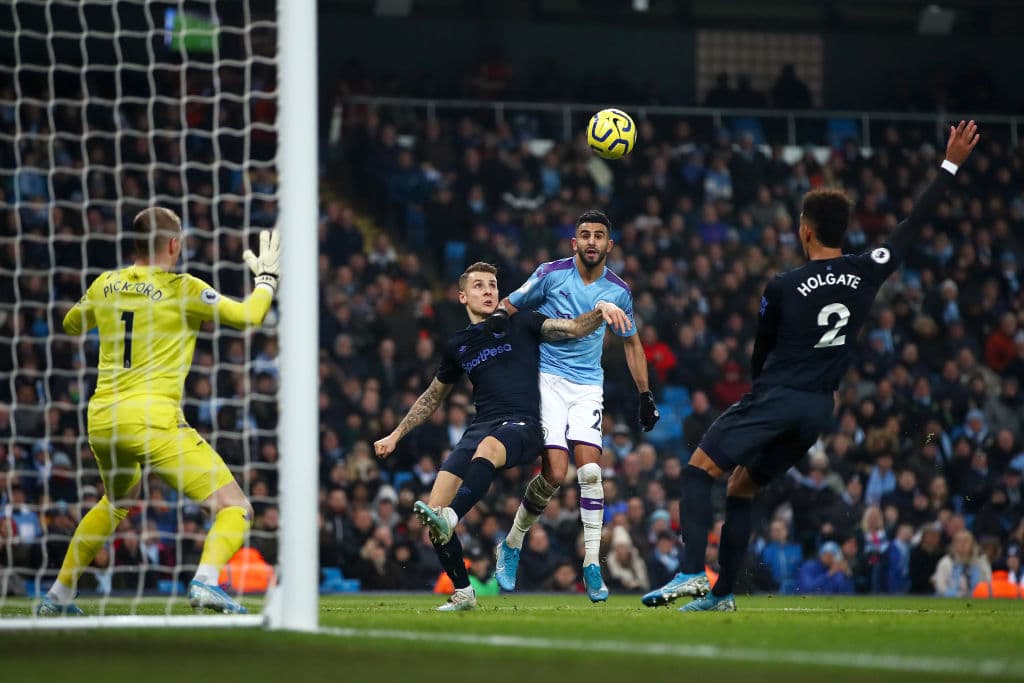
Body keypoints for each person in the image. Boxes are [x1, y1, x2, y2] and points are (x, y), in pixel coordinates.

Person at [642, 120, 980, 612]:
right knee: (740, 487)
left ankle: (693, 572)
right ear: (844, 230)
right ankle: (722, 596)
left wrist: (759, 393)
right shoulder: (868, 268)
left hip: (777, 396)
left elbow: (762, 349)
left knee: (698, 473)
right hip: (819, 410)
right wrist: (950, 164)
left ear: (804, 229)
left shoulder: (783, 284)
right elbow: (913, 226)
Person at [38, 207, 280, 615]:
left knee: (117, 500)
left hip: (101, 419)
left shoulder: (105, 284)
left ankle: (58, 596)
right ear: (173, 244)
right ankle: (205, 582)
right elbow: (250, 315)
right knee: (235, 507)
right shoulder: (182, 288)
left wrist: (103, 309)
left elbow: (70, 324)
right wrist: (266, 279)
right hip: (151, 419)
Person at [373, 262, 629, 611]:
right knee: (433, 513)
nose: (489, 291)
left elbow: (568, 328)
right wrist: (396, 434)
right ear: (463, 296)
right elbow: (433, 396)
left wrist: (600, 311)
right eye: (479, 286)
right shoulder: (459, 343)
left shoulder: (521, 321)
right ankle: (463, 592)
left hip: (523, 424)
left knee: (482, 460)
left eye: (493, 285)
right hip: (482, 426)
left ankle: (453, 516)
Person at [493, 209, 659, 602]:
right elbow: (509, 305)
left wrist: (645, 394)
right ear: (574, 242)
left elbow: (632, 343)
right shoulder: (550, 274)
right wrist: (497, 331)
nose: (591, 242)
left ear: (609, 245)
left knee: (590, 474)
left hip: (587, 385)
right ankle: (513, 544)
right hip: (546, 378)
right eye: (584, 235)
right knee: (554, 473)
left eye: (598, 236)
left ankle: (591, 564)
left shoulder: (618, 291)